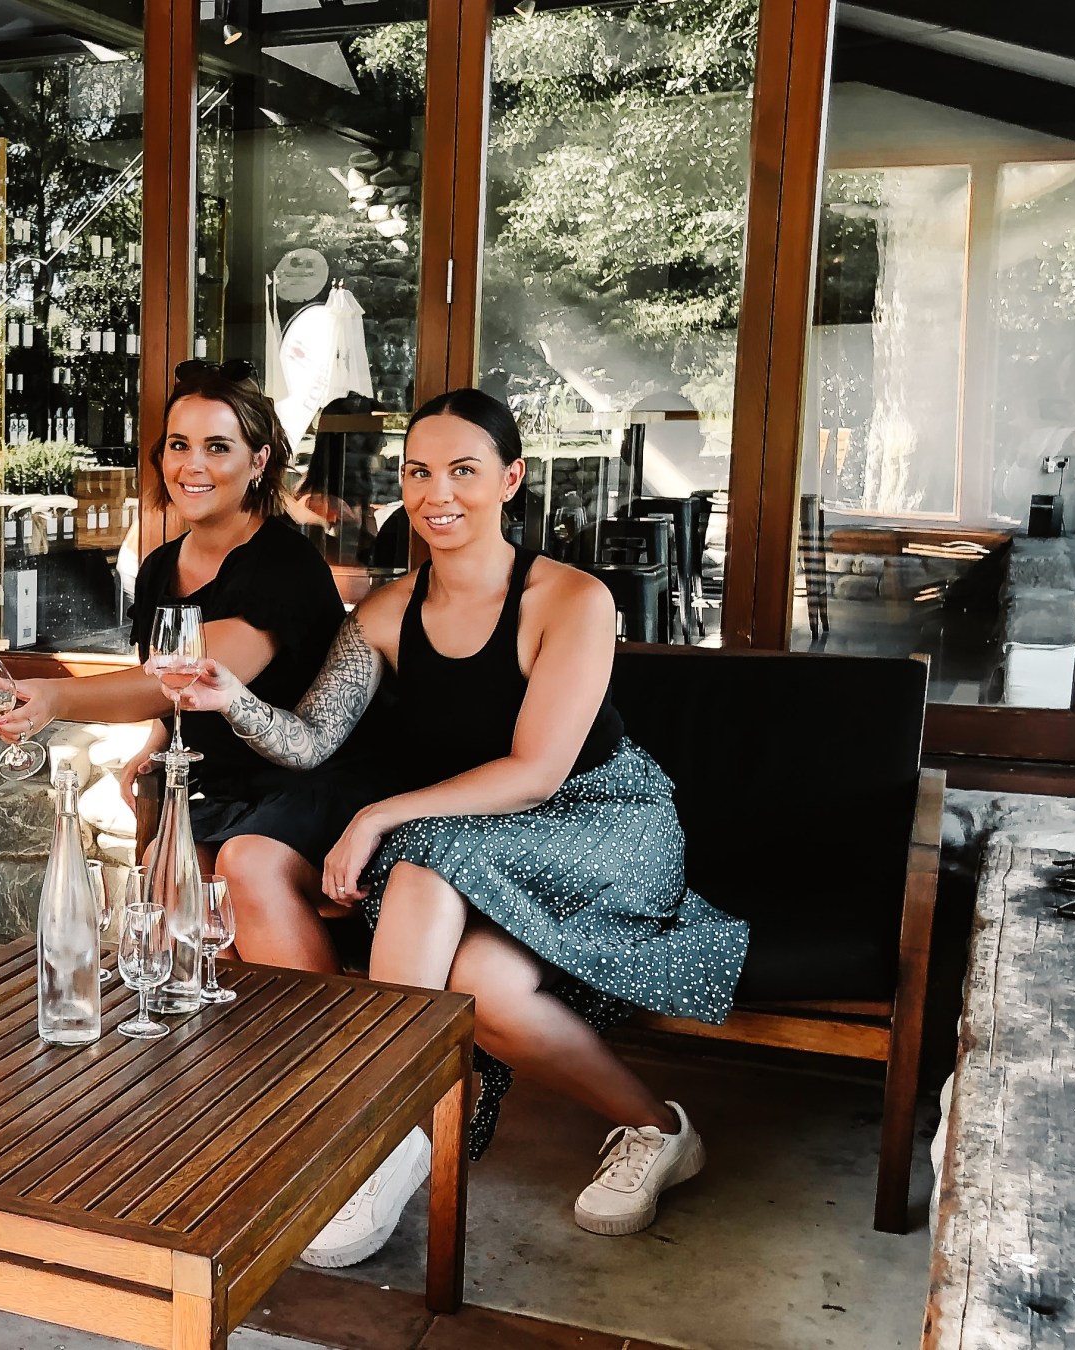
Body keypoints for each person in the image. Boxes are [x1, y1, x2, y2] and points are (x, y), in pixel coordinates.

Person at [174, 387, 749, 1266]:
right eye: (418, 472)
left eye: (464, 471)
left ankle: (378, 1140)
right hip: (478, 836)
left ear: (511, 479)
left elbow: (538, 773)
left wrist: (378, 815)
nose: (437, 492)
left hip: (604, 826)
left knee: (418, 864)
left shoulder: (573, 599)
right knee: (480, 979)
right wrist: (235, 700)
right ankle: (660, 1130)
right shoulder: (384, 612)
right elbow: (310, 738)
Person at [0, 360, 348, 896]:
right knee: (168, 869)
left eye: (218, 447)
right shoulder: (159, 567)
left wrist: (53, 696)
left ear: (259, 461)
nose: (192, 465)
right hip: (220, 782)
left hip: (301, 784)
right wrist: (154, 740)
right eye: (179, 445)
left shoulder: (281, 563)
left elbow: (197, 677)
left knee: (246, 867)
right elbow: (164, 686)